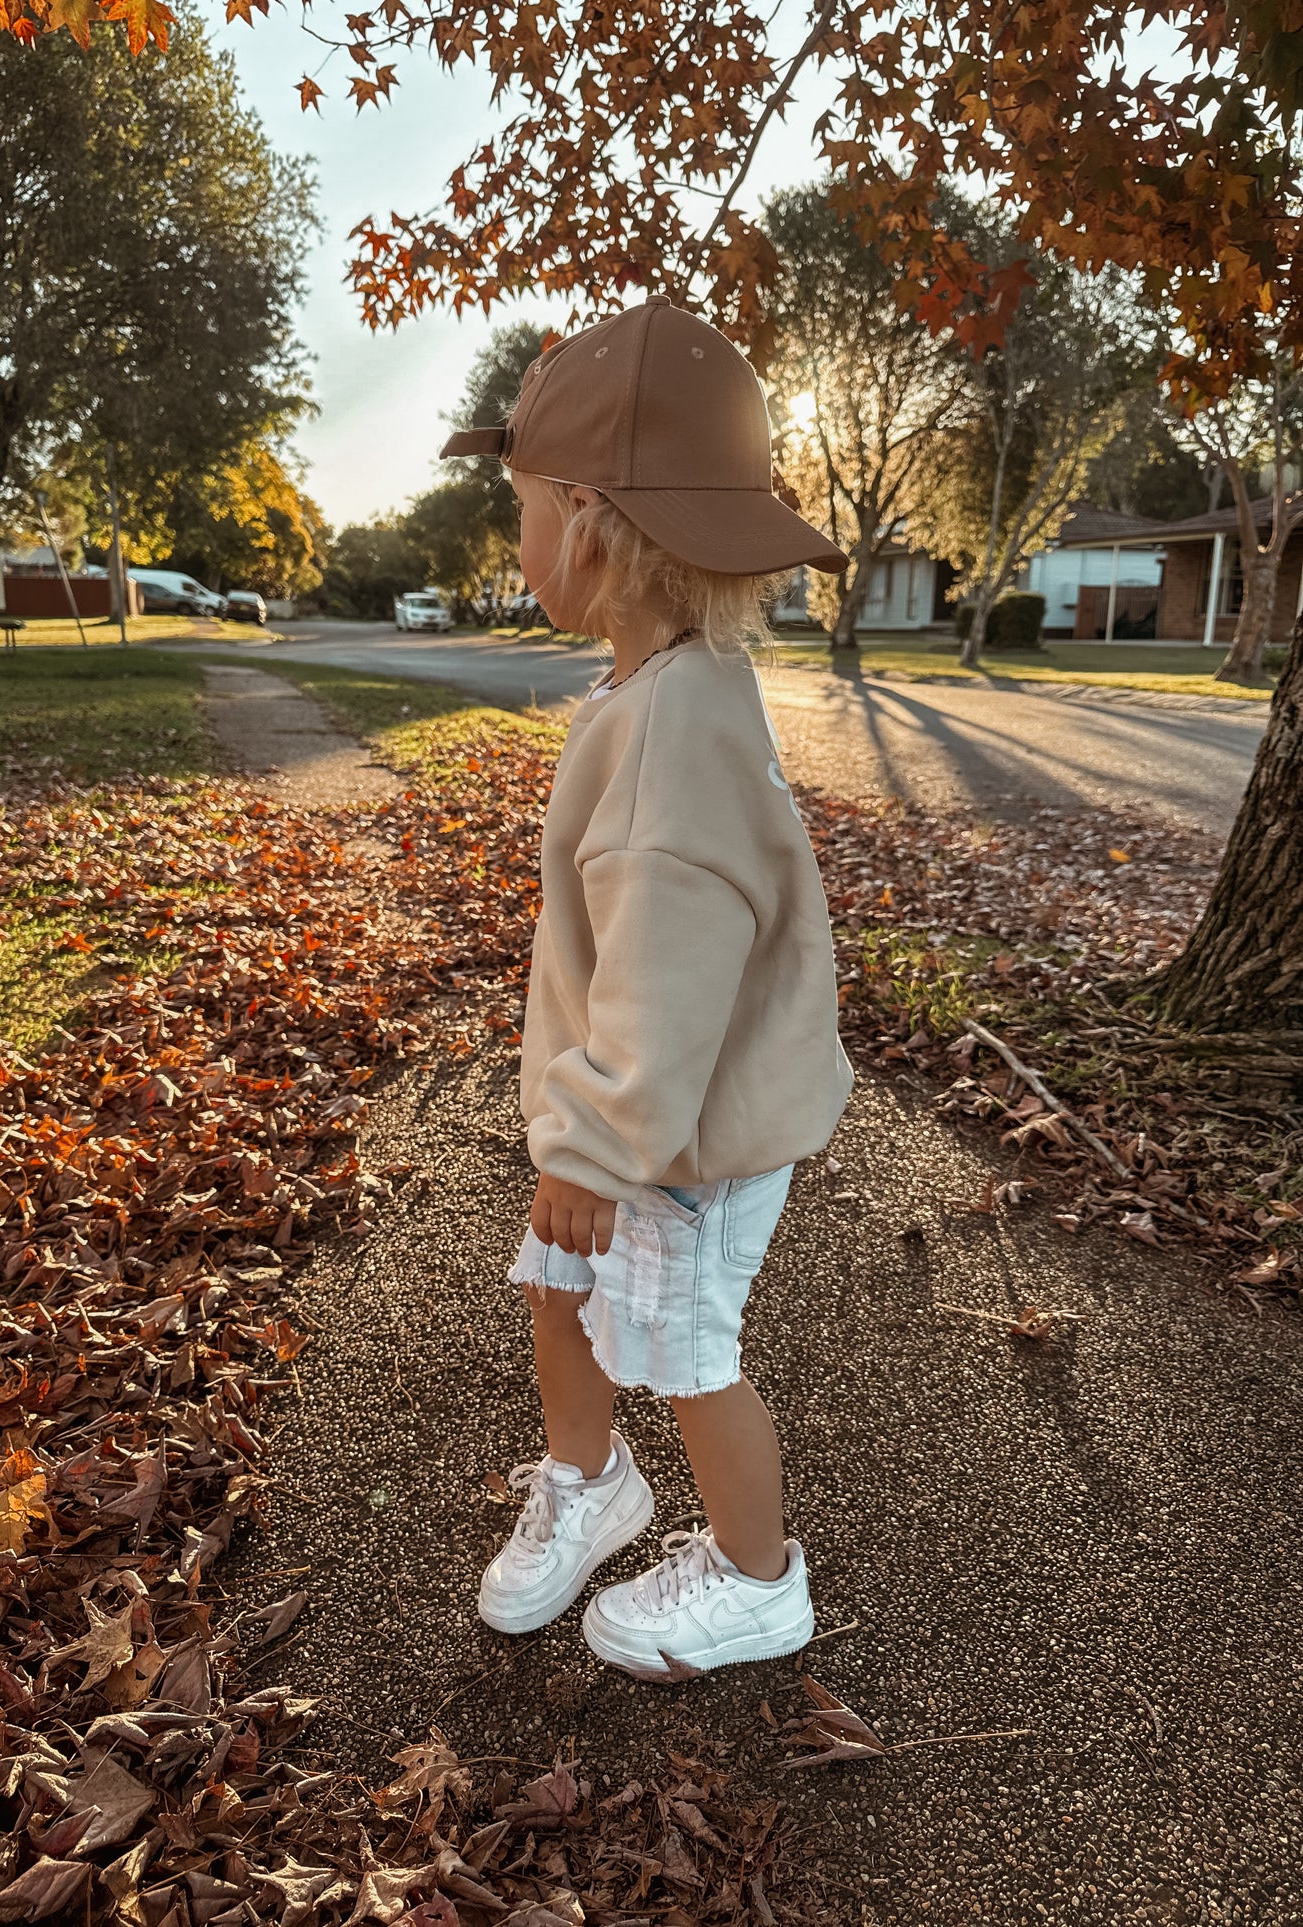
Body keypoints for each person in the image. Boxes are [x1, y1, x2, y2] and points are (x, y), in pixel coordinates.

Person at [439, 296, 854, 1680]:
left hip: (672, 1137)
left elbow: (674, 963)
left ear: (590, 521)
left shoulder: (674, 726)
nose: (516, 542)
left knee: (684, 1351)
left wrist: (600, 1145)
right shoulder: (658, 690)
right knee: (557, 1288)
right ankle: (589, 1480)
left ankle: (755, 1581)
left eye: (520, 512)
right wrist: (587, 1135)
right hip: (627, 1118)